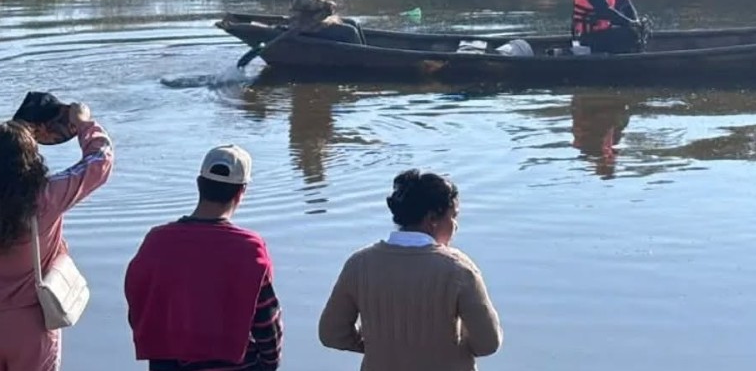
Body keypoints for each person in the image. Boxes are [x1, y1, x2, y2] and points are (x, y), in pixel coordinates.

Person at [0, 98, 114, 371]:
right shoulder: (47, 196)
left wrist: (6, 135)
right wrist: (84, 124)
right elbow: (100, 158)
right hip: (32, 321)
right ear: (31, 160)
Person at [318, 169, 502, 371]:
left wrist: (377, 346)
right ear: (432, 218)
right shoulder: (458, 270)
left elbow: (331, 334)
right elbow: (488, 343)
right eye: (453, 216)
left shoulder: (360, 264)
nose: (455, 226)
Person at [124, 144, 283, 371]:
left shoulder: (157, 241)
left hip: (168, 363)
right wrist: (269, 364)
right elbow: (267, 321)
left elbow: (137, 300)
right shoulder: (249, 249)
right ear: (241, 192)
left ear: (199, 184)